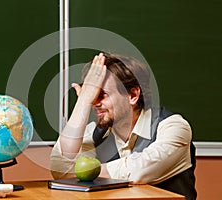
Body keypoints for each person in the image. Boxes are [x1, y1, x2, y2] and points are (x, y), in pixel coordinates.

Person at [50, 52, 197, 200]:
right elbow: (61, 168)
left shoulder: (174, 127)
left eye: (102, 94)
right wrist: (83, 101)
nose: (95, 103)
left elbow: (140, 170)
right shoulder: (96, 132)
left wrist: (88, 172)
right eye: (92, 94)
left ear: (132, 95)